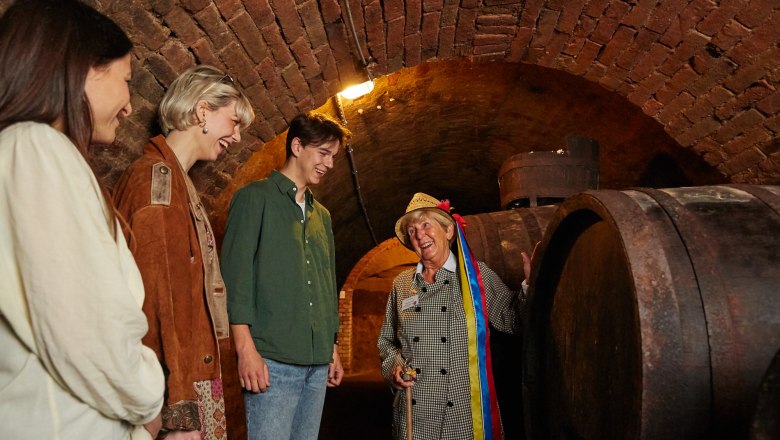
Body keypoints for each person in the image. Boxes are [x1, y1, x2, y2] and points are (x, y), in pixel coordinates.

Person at [0, 0, 165, 438]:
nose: (129, 107)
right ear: (85, 67)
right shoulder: (36, 149)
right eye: (126, 80)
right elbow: (87, 327)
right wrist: (148, 398)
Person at [113, 65, 255, 439]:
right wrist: (179, 414)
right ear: (202, 111)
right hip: (179, 387)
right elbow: (160, 303)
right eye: (234, 121)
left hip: (192, 376)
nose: (237, 136)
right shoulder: (158, 182)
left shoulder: (176, 180)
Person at [220, 111, 351, 440]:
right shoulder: (254, 199)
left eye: (333, 156)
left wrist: (332, 347)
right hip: (272, 362)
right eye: (323, 153)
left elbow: (327, 284)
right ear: (297, 146)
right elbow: (235, 282)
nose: (329, 164)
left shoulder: (322, 216)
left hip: (317, 364)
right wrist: (245, 351)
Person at [377, 193, 535, 440]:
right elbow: (386, 341)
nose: (419, 235)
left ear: (448, 230)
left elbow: (513, 320)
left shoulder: (476, 277)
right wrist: (394, 367)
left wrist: (529, 285)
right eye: (412, 231)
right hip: (415, 413)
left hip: (462, 414)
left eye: (426, 225)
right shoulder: (402, 284)